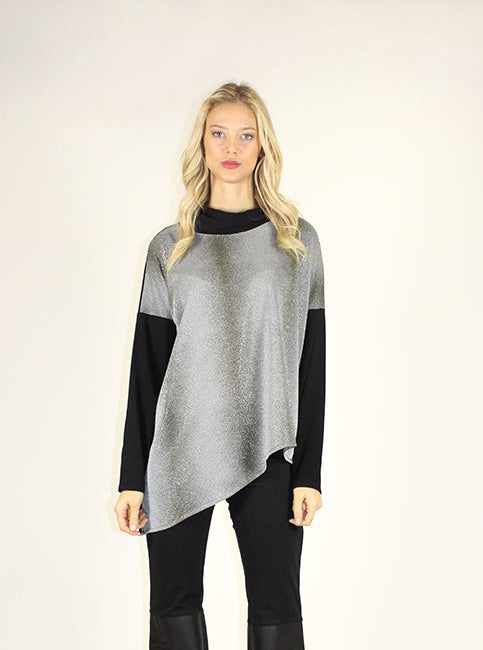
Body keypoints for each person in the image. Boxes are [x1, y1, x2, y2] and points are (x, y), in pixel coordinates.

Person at [113, 81, 326, 650]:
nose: (232, 147)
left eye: (246, 135)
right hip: (180, 448)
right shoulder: (170, 248)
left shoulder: (296, 244)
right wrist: (132, 478)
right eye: (219, 134)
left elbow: (312, 361)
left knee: (277, 604)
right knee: (173, 603)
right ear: (202, 144)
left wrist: (308, 471)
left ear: (263, 147)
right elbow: (147, 367)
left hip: (269, 447)